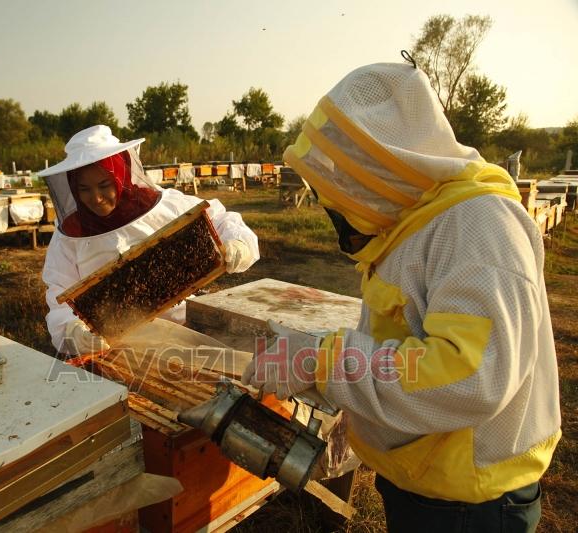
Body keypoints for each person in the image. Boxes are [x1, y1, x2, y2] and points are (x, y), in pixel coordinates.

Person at [242, 61, 560, 532]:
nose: (338, 192)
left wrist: (323, 361)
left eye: (347, 169)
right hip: (427, 479)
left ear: (383, 160)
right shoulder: (419, 222)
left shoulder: (479, 226)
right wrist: (366, 417)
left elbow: (468, 375)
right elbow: (403, 340)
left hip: (469, 507)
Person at [39, 125, 259, 356]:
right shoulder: (70, 235)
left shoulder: (163, 206)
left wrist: (238, 243)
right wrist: (72, 330)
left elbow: (221, 220)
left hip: (182, 326)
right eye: (84, 189)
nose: (96, 197)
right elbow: (59, 292)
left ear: (121, 177)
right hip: (115, 346)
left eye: (105, 185)